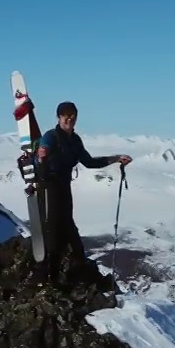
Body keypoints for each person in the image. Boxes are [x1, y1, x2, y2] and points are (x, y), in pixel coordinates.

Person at [35, 100, 131, 285]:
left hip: (63, 187)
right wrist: (42, 156)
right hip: (49, 188)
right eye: (65, 116)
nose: (69, 119)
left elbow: (89, 162)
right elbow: (42, 157)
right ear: (59, 117)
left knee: (69, 230)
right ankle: (49, 280)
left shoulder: (75, 140)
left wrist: (116, 159)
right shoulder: (50, 137)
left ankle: (74, 277)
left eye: (72, 115)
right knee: (53, 232)